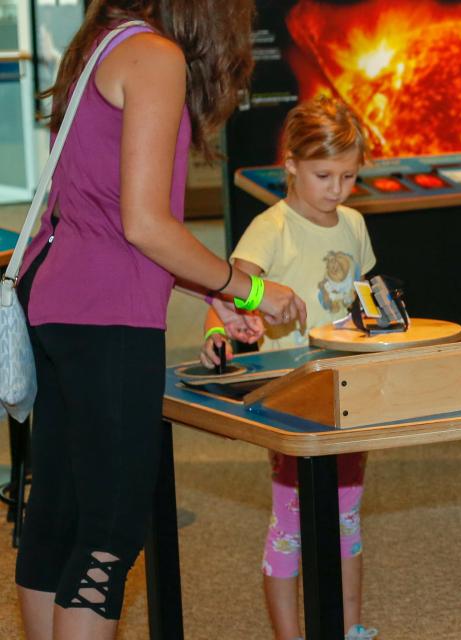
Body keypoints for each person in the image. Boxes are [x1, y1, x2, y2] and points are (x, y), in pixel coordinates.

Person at [14, 3, 306, 638]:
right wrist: (252, 289)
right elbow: (144, 224)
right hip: (105, 316)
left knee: (58, 516)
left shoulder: (104, 40)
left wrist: (208, 286)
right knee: (109, 532)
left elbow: (100, 211)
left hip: (59, 299)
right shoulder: (156, 56)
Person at [197, 95, 379, 640]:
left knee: (347, 518)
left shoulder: (353, 224)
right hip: (289, 395)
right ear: (292, 166)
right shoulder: (270, 227)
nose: (337, 189)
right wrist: (214, 332)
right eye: (324, 175)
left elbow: (363, 299)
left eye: (348, 176)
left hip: (346, 388)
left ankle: (349, 628)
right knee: (291, 525)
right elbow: (224, 293)